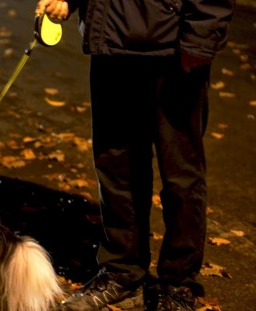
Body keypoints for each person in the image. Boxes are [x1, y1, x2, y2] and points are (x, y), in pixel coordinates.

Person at [35, 0, 234, 310]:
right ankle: (122, 273)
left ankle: (178, 284)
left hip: (173, 48)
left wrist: (200, 38)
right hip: (110, 43)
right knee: (116, 166)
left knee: (180, 175)